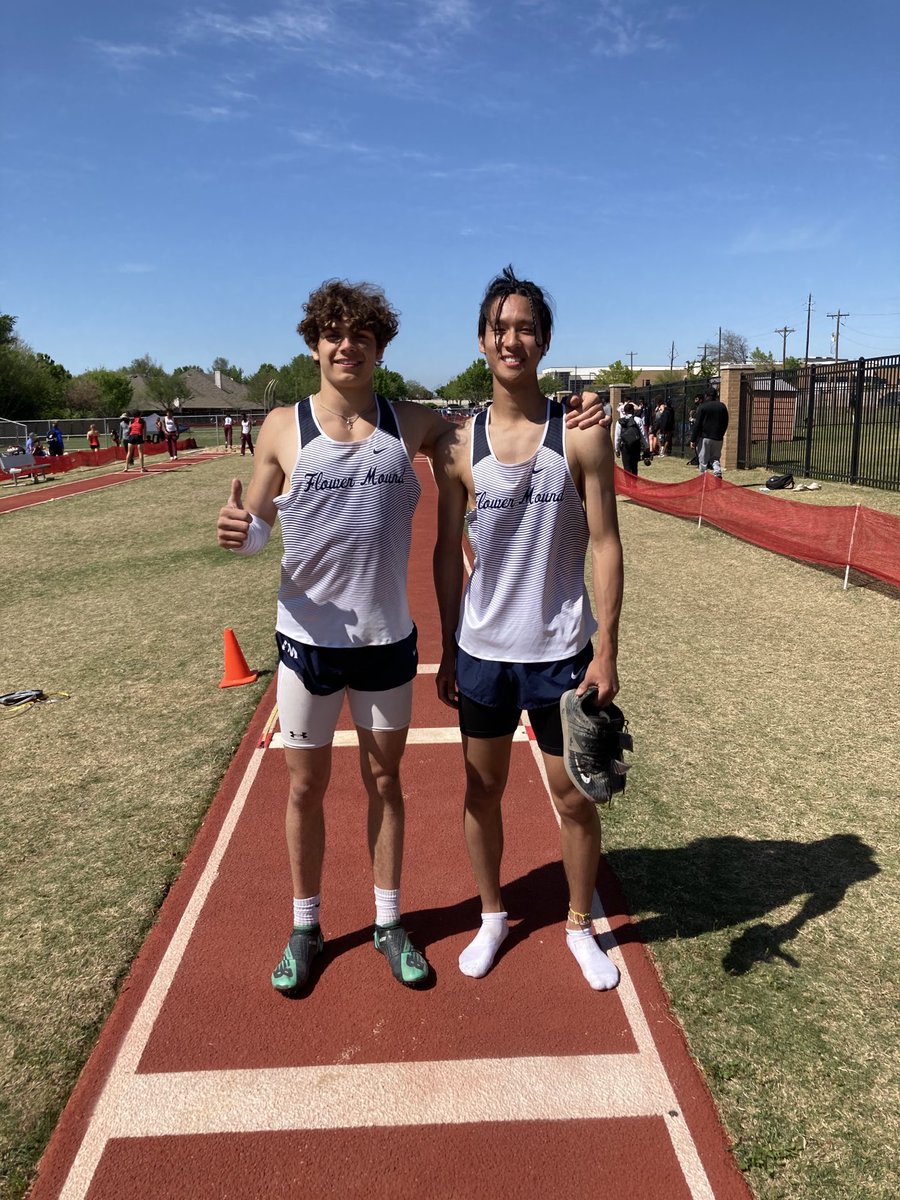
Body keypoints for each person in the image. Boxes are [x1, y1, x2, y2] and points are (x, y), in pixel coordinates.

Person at [216, 278, 605, 997]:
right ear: (313, 343)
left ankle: (389, 921)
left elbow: (509, 428)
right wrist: (242, 537)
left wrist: (582, 408)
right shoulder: (279, 426)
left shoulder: (418, 423)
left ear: (380, 347)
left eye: (361, 335)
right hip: (305, 643)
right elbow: (261, 523)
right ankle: (306, 926)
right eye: (333, 333)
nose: (346, 345)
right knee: (305, 788)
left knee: (386, 781)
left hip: (388, 642)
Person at [433, 265, 623, 992]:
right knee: (480, 794)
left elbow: (606, 543)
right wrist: (449, 644)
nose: (512, 338)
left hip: (560, 655)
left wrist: (607, 648)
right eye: (500, 327)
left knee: (574, 796)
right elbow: (446, 553)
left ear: (543, 342)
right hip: (483, 655)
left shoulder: (579, 436)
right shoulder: (457, 447)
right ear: (483, 341)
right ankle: (491, 916)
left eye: (525, 328)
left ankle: (579, 924)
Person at [690, 389, 729, 478]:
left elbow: (697, 424)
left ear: (706, 396)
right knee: (715, 458)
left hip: (705, 437)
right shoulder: (722, 406)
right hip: (718, 437)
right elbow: (726, 422)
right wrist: (721, 433)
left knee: (703, 459)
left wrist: (693, 439)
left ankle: (703, 478)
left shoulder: (703, 407)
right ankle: (717, 472)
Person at [613, 401, 648, 476]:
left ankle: (628, 485)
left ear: (624, 412)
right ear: (633, 410)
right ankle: (634, 485)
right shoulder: (638, 420)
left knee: (627, 467)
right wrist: (646, 447)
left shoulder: (620, 422)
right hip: (635, 445)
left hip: (625, 447)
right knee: (634, 466)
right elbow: (643, 435)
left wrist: (616, 449)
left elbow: (617, 437)